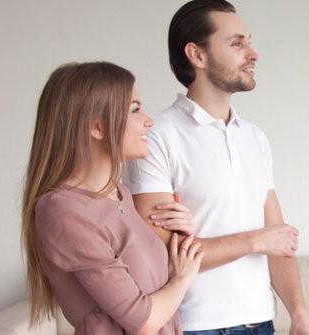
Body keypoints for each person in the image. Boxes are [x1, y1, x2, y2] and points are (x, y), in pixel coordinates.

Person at [126, 1, 309, 334]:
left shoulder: (255, 138)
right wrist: (255, 240)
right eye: (236, 43)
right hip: (197, 327)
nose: (253, 53)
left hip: (262, 323)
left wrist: (299, 314)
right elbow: (165, 254)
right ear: (197, 55)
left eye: (249, 40)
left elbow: (279, 240)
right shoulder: (156, 137)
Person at [21, 62, 204, 335]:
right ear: (97, 127)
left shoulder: (120, 194)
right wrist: (183, 279)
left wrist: (181, 237)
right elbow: (142, 321)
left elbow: (144, 284)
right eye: (135, 109)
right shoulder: (64, 211)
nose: (148, 120)